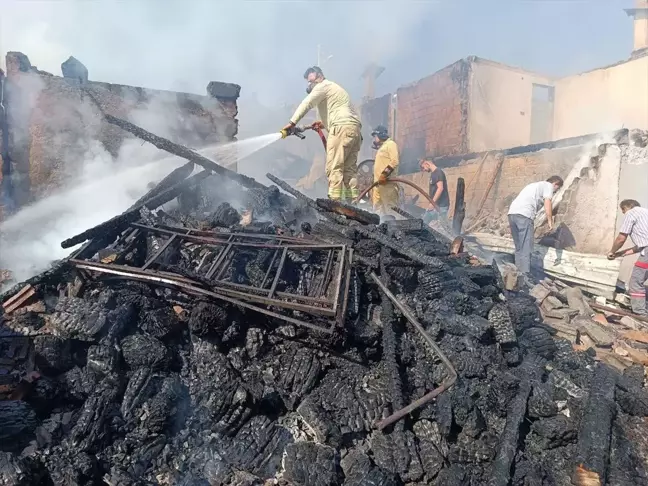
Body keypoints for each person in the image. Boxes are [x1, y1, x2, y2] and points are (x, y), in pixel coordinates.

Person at [281, 66, 362, 202]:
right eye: (308, 81)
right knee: (350, 170)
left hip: (340, 129)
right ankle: (353, 203)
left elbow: (307, 103)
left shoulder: (322, 86)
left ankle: (335, 202)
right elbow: (344, 115)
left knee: (334, 167)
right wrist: (321, 124)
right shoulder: (336, 89)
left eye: (311, 80)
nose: (309, 84)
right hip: (353, 130)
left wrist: (292, 123)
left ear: (319, 77)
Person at [507, 175, 564, 274]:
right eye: (557, 189)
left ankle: (516, 274)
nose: (555, 191)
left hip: (512, 214)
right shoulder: (548, 186)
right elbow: (548, 203)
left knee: (519, 247)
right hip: (524, 215)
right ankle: (524, 275)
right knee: (526, 247)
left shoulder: (533, 185)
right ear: (555, 184)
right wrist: (550, 221)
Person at [607, 199, 648, 315]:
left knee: (635, 282)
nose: (624, 213)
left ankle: (640, 314)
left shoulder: (631, 213)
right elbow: (641, 246)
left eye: (623, 211)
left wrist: (612, 251)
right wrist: (621, 254)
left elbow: (621, 238)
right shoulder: (645, 213)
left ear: (626, 207)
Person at [370, 125, 400, 217]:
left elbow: (394, 161)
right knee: (377, 211)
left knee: (391, 210)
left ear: (381, 135)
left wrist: (384, 174)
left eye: (375, 136)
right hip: (377, 185)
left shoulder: (391, 144)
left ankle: (394, 229)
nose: (374, 139)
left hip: (387, 184)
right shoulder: (382, 147)